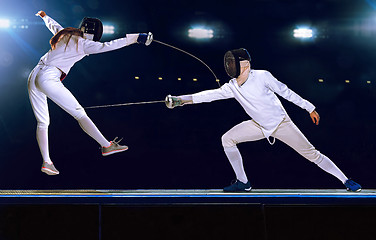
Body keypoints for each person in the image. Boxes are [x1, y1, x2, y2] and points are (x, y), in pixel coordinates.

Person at [166, 48, 362, 192]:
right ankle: (243, 182)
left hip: (281, 124)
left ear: (245, 64)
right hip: (258, 126)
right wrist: (180, 100)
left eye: (233, 62)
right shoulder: (232, 86)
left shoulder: (262, 76)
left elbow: (286, 92)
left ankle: (345, 180)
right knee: (227, 139)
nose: (229, 66)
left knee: (313, 154)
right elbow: (208, 95)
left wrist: (309, 107)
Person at [28, 11, 153, 175]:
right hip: (48, 78)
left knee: (43, 122)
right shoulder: (85, 43)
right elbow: (109, 45)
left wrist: (45, 17)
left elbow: (54, 26)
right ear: (94, 34)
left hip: (34, 75)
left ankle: (47, 162)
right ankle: (106, 146)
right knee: (80, 114)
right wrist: (136, 37)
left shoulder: (66, 33)